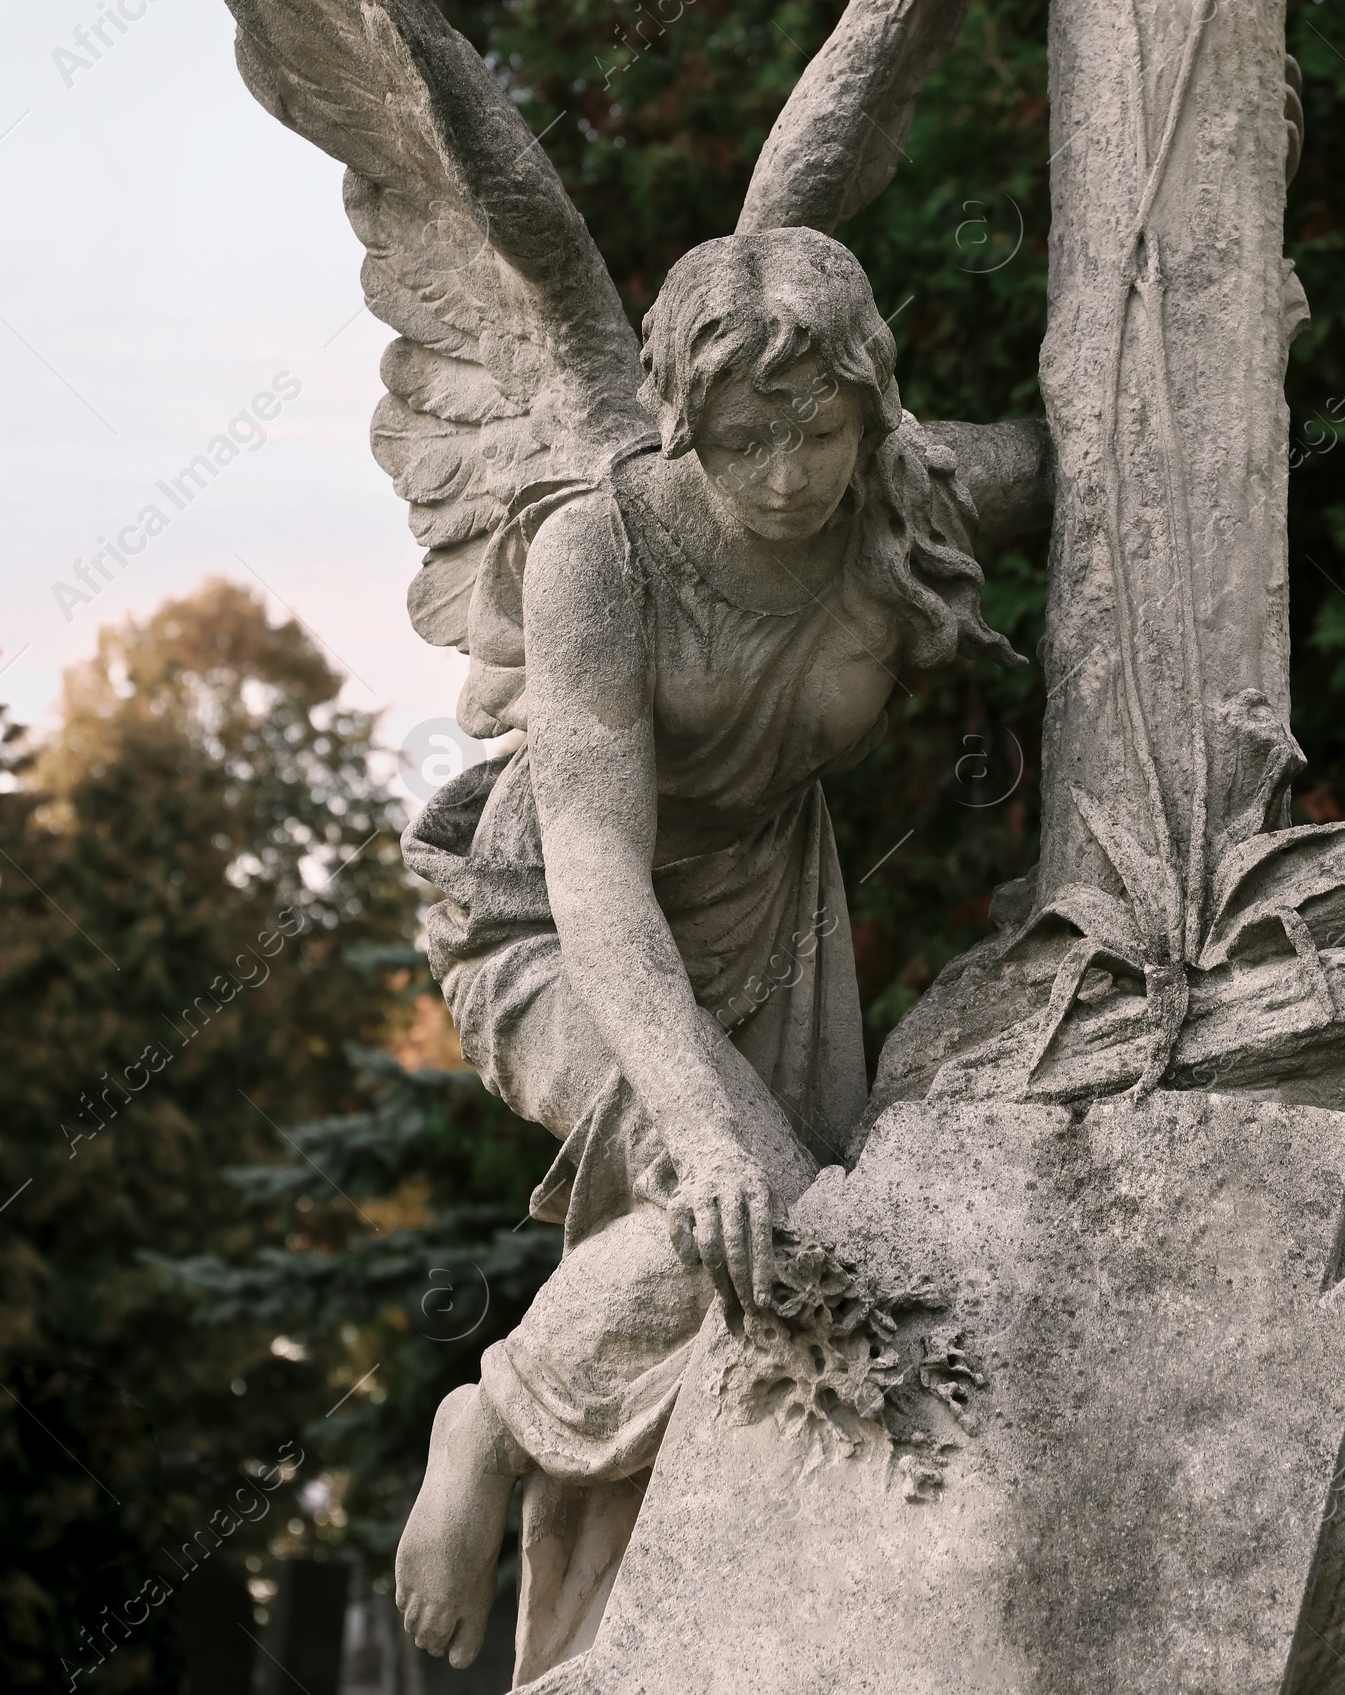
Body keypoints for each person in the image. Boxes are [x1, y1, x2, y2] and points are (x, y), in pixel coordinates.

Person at [394, 227, 1051, 1676]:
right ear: (686, 424)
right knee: (762, 1215)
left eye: (817, 430)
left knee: (784, 1276)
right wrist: (694, 1117)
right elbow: (592, 865)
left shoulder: (902, 508)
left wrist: (1213, 297)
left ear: (869, 406)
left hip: (767, 907)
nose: (785, 475)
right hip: (555, 925)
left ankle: (649, 1618)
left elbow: (1085, 441)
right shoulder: (599, 556)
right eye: (747, 439)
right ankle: (490, 1427)